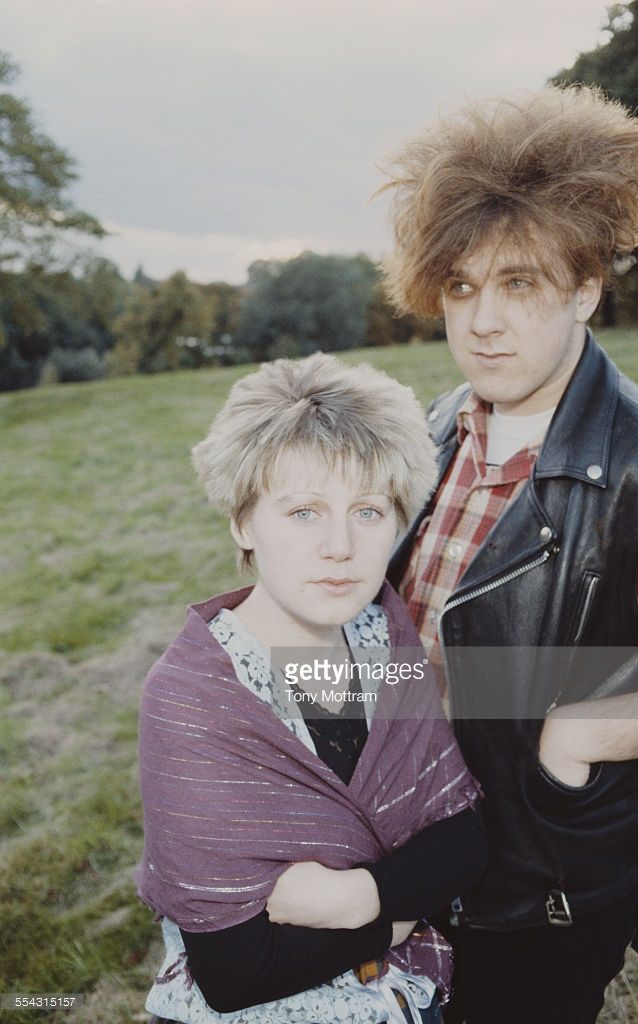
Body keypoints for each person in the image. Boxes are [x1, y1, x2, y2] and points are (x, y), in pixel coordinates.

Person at [382, 85, 638, 1024]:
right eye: (462, 288)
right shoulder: (436, 425)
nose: (482, 322)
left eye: (519, 283)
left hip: (542, 892)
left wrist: (578, 735)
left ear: (586, 287)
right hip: (416, 862)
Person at [137, 353, 486, 1024]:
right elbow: (236, 970)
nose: (340, 546)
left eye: (367, 511)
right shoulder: (193, 700)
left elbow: (463, 842)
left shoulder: (385, 638)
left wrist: (358, 897)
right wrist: (393, 917)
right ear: (243, 522)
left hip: (403, 1000)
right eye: (302, 512)